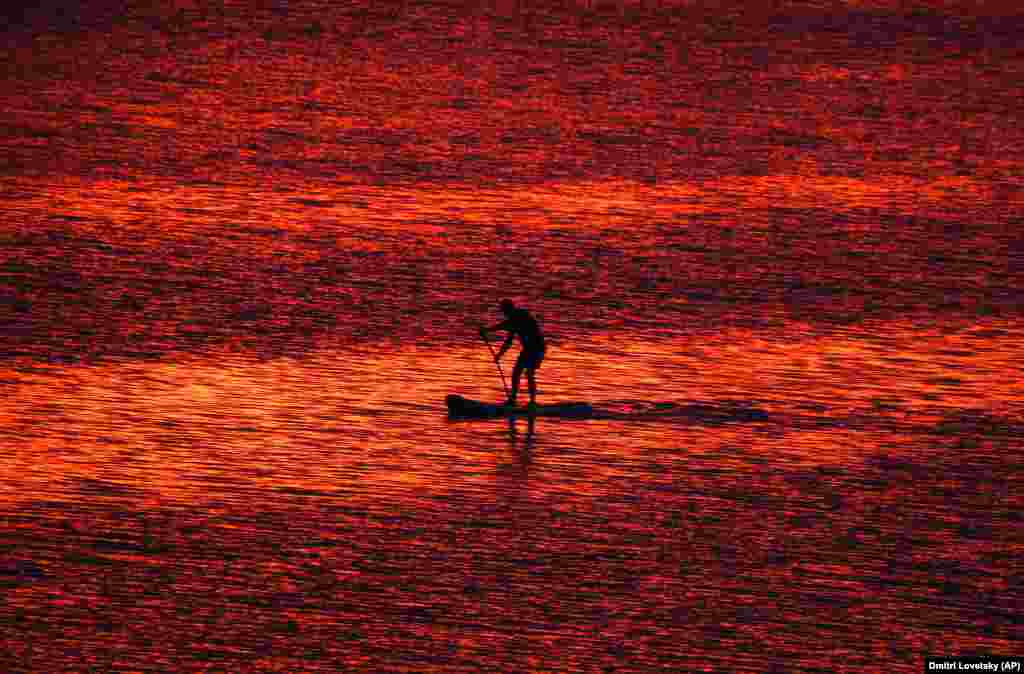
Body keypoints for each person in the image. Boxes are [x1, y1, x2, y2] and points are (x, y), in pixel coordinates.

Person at [480, 299, 546, 408]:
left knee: (529, 373)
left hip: (538, 348)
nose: (503, 314)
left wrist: (487, 330)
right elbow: (508, 341)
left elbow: (504, 325)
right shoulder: (512, 321)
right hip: (527, 349)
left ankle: (532, 403)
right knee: (516, 373)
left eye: (504, 311)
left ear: (508, 309)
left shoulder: (520, 315)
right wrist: (499, 355)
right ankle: (513, 400)